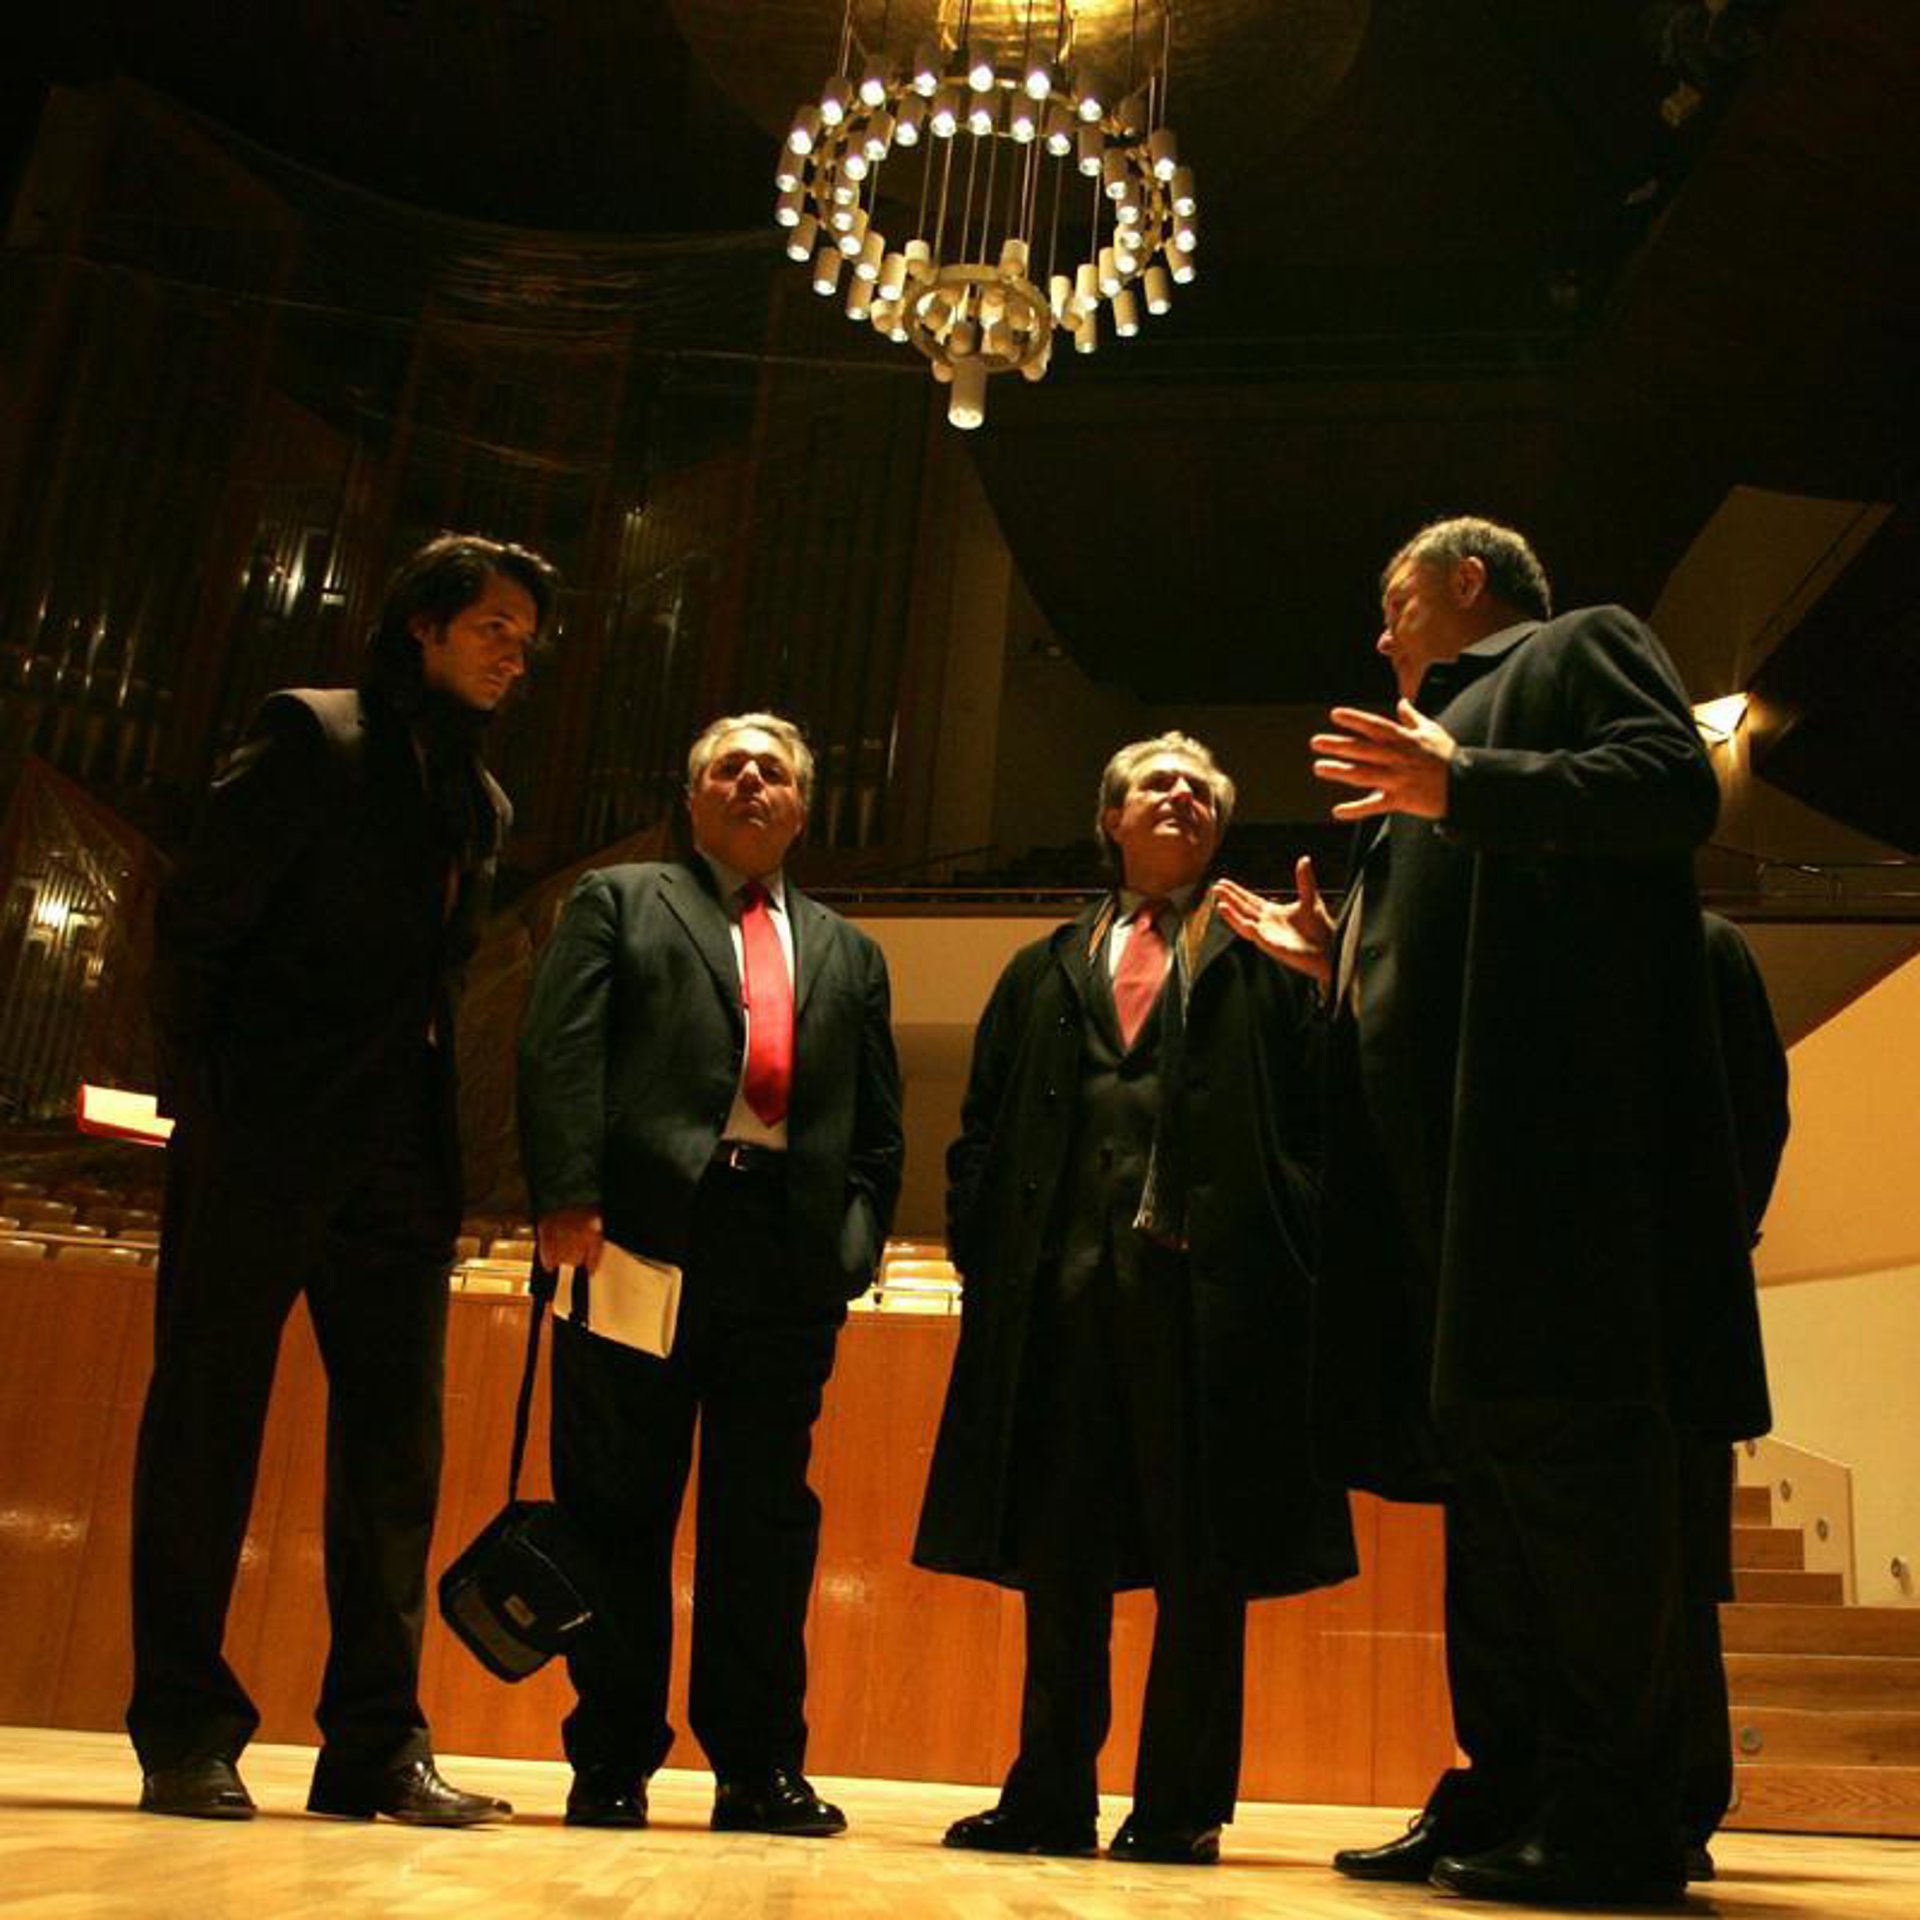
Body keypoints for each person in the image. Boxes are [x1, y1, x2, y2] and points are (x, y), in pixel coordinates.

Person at [1217, 516, 1770, 1907]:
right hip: (1450, 1219)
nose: (1381, 634)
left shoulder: (1579, 650)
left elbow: (1670, 786)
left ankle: (1615, 1817)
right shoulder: (1434, 760)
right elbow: (1456, 976)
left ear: (1468, 583)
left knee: (1581, 1514)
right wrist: (1341, 965)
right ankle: (1511, 1786)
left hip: (1553, 1204)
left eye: (1395, 601)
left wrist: (1465, 781)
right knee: (1498, 1525)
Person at [133, 531, 556, 1823]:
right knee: (206, 1433)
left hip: (401, 1161)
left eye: (526, 642)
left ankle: (375, 1744)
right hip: (265, 1137)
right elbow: (195, 927)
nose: (513, 656)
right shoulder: (311, 735)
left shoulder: (483, 804)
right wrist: (220, 1102)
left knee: (394, 1461)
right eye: (493, 627)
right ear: (423, 627)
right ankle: (186, 1732)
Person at [917, 733, 1356, 1867]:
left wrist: (1330, 986)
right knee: (1059, 1557)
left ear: (1220, 827)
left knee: (1204, 1561)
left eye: (1200, 790)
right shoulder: (1041, 967)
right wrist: (985, 1250)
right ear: (1111, 819)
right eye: (1156, 784)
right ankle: (1048, 1796)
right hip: (1058, 1300)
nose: (1179, 797)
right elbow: (980, 1129)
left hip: (1209, 1306)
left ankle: (1178, 1807)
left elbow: (1330, 1118)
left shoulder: (1273, 958)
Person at [517, 712, 904, 1838]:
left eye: (772, 771)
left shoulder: (850, 952)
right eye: (727, 768)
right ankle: (612, 1761)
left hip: (785, 1256)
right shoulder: (620, 900)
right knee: (616, 1508)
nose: (750, 782)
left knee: (765, 1524)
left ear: (802, 808)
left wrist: (850, 1244)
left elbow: (879, 1127)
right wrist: (566, 1194)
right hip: (636, 1239)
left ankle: (758, 1769)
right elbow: (559, 1050)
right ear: (692, 800)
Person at [1680, 911, 1790, 1878]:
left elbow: (1759, 1109)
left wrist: (1716, 1237)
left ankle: (1682, 1800)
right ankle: (1674, 1801)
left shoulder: (1706, 945)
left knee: (1676, 1564)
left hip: (1678, 1309)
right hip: (1668, 1300)